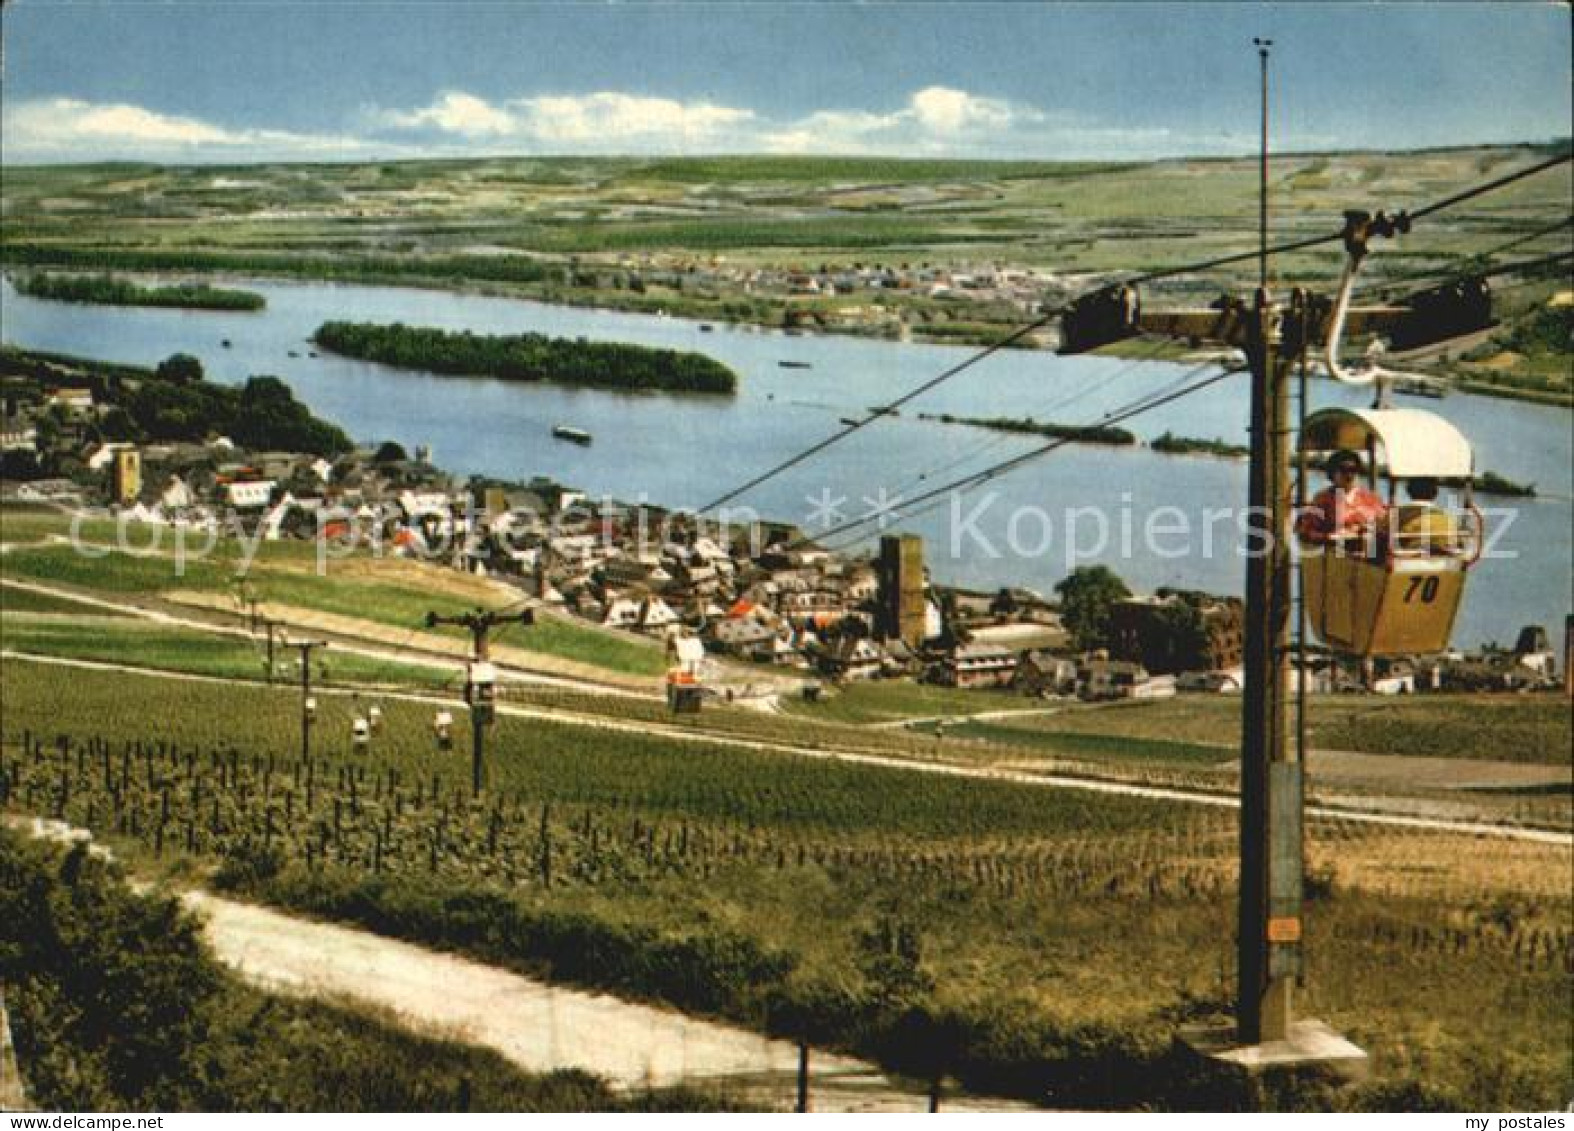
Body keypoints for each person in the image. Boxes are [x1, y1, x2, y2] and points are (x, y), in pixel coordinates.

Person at [1296, 449, 1386, 547]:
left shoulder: (1371, 498)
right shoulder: (1322, 499)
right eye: (1344, 470)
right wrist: (1328, 537)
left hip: (1370, 553)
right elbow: (1305, 533)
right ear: (1332, 473)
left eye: (1353, 470)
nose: (1349, 475)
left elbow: (1385, 524)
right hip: (1336, 554)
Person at [1389, 477, 1460, 555]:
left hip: (1406, 562)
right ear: (1435, 493)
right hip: (1445, 563)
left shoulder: (1397, 515)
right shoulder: (1449, 520)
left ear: (1408, 490)